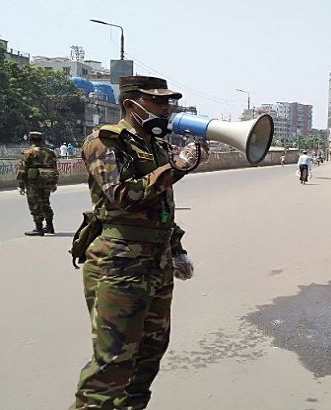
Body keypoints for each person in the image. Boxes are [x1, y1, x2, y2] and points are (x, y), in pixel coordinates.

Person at [72, 75, 209, 410]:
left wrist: (175, 248)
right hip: (120, 265)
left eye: (168, 102)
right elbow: (123, 196)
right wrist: (176, 167)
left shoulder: (156, 146)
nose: (166, 108)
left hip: (156, 261)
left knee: (149, 355)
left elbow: (160, 209)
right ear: (131, 104)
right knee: (113, 362)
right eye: (158, 101)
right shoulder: (105, 141)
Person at [17, 131, 59, 236]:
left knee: (34, 204)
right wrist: (54, 183)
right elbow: (54, 168)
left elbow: (23, 170)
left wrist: (21, 185)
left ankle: (39, 228)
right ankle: (49, 226)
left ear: (31, 140)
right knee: (45, 202)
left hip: (33, 181)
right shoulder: (49, 152)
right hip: (47, 180)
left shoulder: (29, 152)